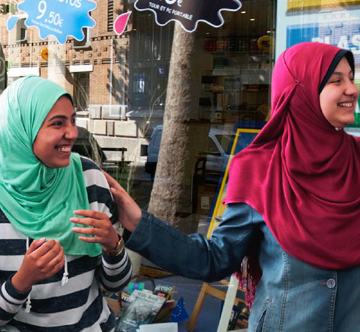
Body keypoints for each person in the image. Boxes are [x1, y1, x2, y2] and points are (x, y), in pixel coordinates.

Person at [107, 42, 360, 331]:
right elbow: (215, 259)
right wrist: (139, 223)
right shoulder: (259, 170)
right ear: (299, 91)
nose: (351, 89)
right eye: (336, 80)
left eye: (351, 78)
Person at [0, 76, 132, 332]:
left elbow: (116, 285)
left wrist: (112, 245)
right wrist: (23, 280)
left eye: (73, 120)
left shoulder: (89, 179)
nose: (73, 133)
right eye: (57, 123)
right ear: (21, 130)